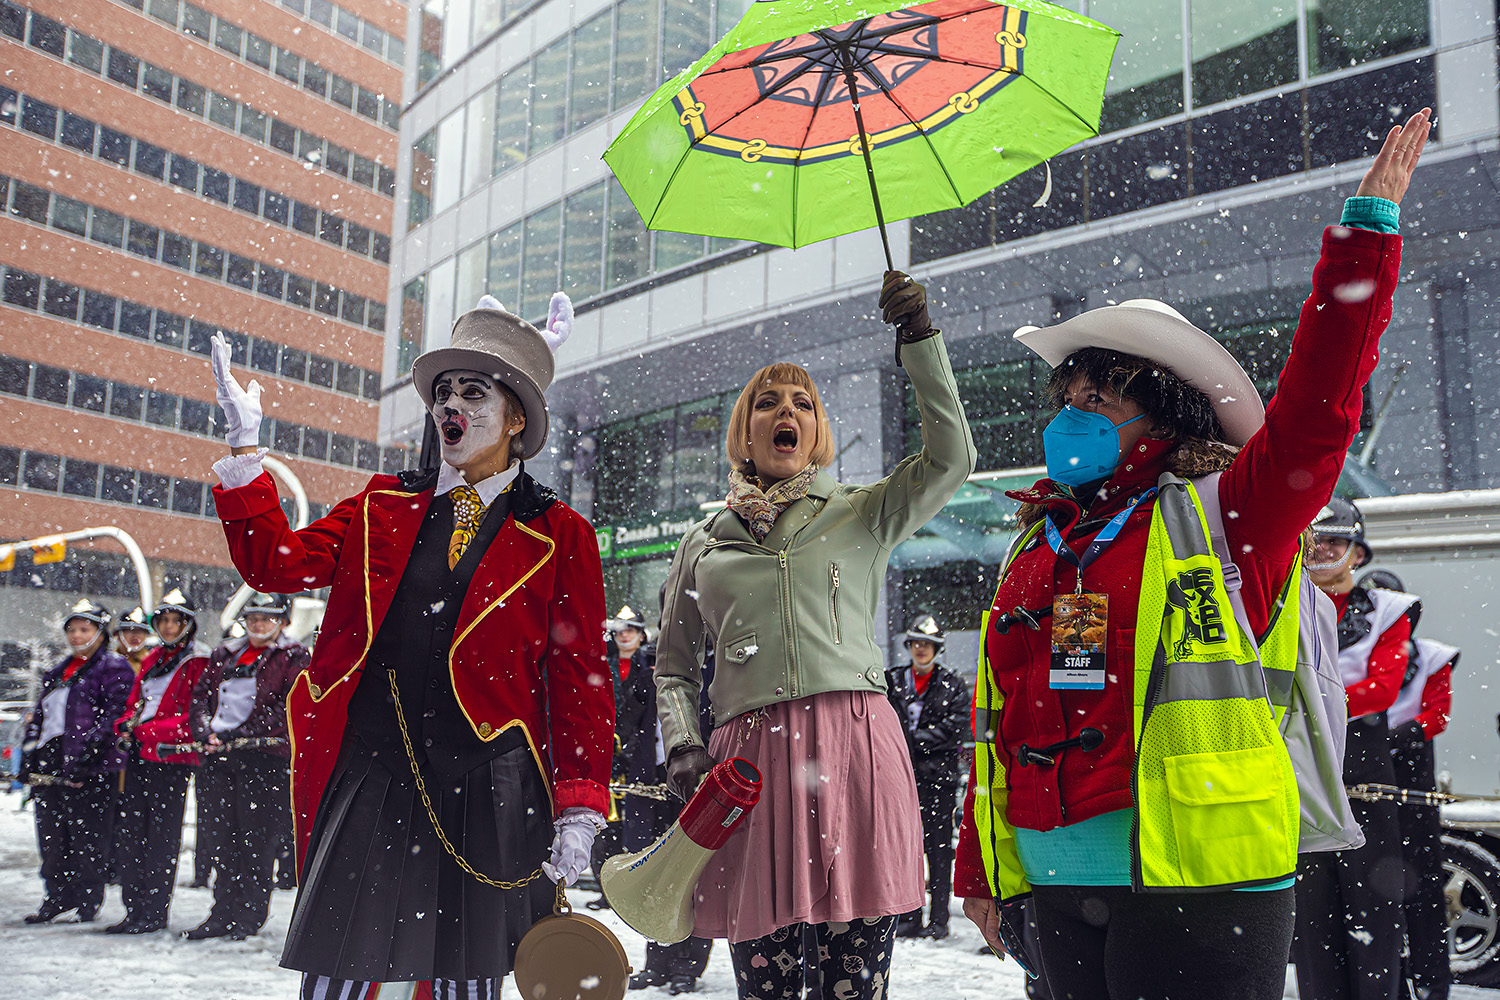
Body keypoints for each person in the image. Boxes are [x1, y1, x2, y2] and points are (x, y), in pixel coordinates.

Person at [955, 108, 1432, 1000]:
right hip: (1054, 880)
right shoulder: (1039, 540)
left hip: (1204, 884)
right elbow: (1004, 722)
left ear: (1167, 414)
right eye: (1070, 392)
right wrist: (983, 862)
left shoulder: (1232, 513)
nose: (1073, 413)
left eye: (1100, 393)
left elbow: (1317, 412)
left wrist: (1362, 245)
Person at [207, 291, 613, 996]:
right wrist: (246, 457)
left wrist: (580, 804)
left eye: (474, 391)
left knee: (468, 978)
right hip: (375, 770)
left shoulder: (560, 533)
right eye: (445, 391)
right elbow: (276, 566)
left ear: (516, 417)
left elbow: (579, 677)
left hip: (489, 783)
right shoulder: (380, 506)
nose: (452, 405)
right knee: (337, 974)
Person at [656, 269, 977, 1000]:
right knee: (763, 984)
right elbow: (673, 667)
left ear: (818, 431)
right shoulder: (702, 541)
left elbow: (953, 458)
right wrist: (681, 743)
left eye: (802, 401)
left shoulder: (863, 511)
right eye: (766, 402)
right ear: (745, 430)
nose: (785, 411)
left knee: (853, 986)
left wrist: (919, 340)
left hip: (859, 751)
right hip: (747, 772)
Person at [1293, 503, 1420, 1000]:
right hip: (1305, 770)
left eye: (1335, 542)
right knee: (1311, 913)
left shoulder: (1387, 610)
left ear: (1358, 553)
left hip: (1365, 770)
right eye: (1315, 540)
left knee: (1375, 906)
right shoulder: (1288, 602)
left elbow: (1382, 689)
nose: (1322, 550)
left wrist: (1311, 699)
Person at [182, 592, 307, 941]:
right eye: (253, 617)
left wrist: (241, 733)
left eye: (267, 618)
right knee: (221, 840)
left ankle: (249, 914)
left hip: (263, 759)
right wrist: (206, 731)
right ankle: (221, 911)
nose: (258, 624)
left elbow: (287, 705)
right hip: (219, 757)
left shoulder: (293, 655)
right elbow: (200, 698)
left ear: (282, 621)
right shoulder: (223, 653)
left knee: (256, 841)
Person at [1359, 569, 1457, 1000]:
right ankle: (1390, 980)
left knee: (1423, 888)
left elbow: (1438, 715)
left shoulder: (1433, 658)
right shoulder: (1352, 657)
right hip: (1365, 778)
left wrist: (1396, 735)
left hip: (1411, 781)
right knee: (1375, 890)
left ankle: (1433, 982)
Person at [617, 604, 715, 995]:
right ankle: (655, 962)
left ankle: (686, 967)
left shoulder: (714, 664)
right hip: (651, 783)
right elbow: (631, 714)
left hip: (695, 783)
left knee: (689, 878)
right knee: (652, 876)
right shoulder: (652, 661)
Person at [19, 599, 134, 924]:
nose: (76, 635)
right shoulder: (56, 671)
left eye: (84, 629)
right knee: (52, 838)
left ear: (100, 633)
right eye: (71, 629)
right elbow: (40, 717)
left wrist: (91, 752)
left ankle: (87, 900)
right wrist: (29, 755)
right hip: (52, 765)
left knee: (88, 838)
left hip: (91, 767)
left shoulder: (113, 668)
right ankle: (56, 896)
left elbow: (114, 714)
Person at [108, 588, 211, 933]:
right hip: (140, 755)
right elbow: (134, 703)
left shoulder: (198, 661)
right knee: (132, 835)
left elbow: (194, 717)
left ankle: (153, 912)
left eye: (175, 621)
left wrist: (147, 731)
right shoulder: (152, 658)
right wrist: (126, 726)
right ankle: (133, 910)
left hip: (172, 760)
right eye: (163, 620)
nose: (168, 628)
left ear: (188, 624)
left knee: (161, 840)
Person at [886, 614, 970, 940]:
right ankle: (907, 916)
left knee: (937, 850)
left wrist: (911, 740)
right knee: (905, 849)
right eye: (917, 643)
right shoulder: (892, 680)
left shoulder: (953, 683)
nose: (922, 649)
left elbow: (954, 727)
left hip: (938, 781)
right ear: (909, 646)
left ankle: (938, 921)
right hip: (900, 779)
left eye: (929, 645)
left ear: (938, 649)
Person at [113, 607, 157, 676]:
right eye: (129, 630)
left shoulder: (155, 663)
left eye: (141, 631)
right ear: (118, 635)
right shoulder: (107, 664)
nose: (135, 635)